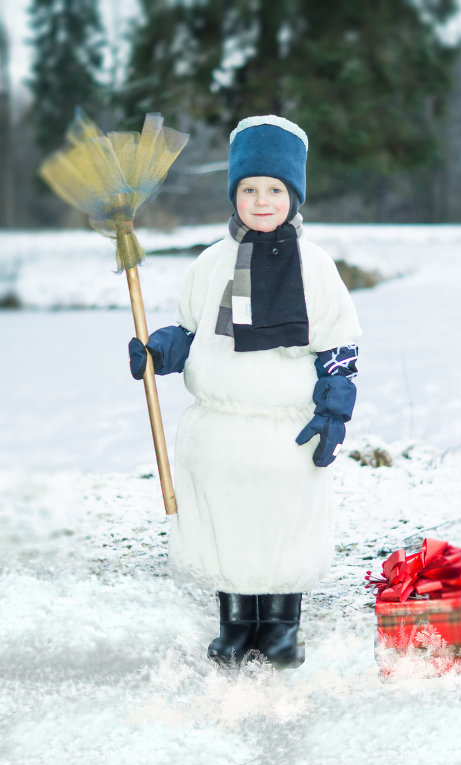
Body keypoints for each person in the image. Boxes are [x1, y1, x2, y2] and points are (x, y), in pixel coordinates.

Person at [129, 115, 362, 669]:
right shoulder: (211, 264)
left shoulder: (316, 267)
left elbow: (339, 347)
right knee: (227, 523)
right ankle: (236, 622)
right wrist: (157, 352)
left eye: (275, 190)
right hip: (220, 427)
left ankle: (281, 626)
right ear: (234, 195)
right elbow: (190, 332)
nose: (262, 201)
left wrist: (334, 411)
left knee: (283, 521)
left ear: (293, 196)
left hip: (288, 428)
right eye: (249, 189)